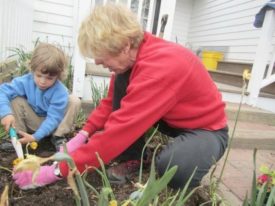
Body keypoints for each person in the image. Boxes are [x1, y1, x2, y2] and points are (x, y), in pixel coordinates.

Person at [13, 4, 228, 190]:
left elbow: (116, 132)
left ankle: (181, 152)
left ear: (124, 46)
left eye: (99, 52)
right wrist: (83, 135)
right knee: (122, 82)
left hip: (206, 129)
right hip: (170, 115)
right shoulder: (134, 56)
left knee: (175, 168)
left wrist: (55, 172)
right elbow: (110, 106)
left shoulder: (159, 69)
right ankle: (134, 157)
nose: (96, 61)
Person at [0, 43, 81, 151]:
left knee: (74, 101)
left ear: (58, 76)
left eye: (49, 78)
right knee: (15, 99)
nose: (42, 81)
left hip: (54, 124)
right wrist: (6, 113)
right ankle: (20, 138)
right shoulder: (26, 81)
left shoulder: (59, 91)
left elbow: (53, 118)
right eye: (38, 76)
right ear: (33, 70)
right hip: (34, 122)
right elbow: (3, 91)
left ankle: (58, 137)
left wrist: (35, 137)